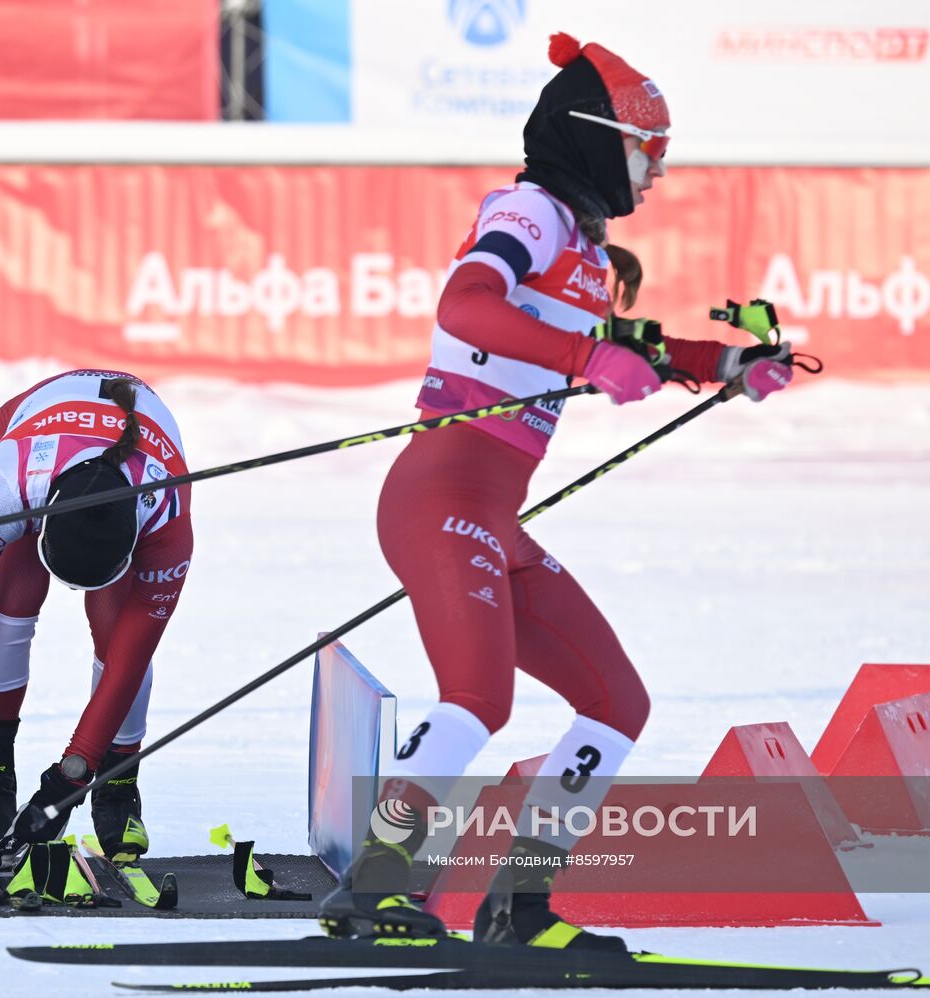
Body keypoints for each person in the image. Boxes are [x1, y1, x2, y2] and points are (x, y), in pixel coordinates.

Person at [317, 33, 794, 949]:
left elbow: (637, 347)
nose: (654, 175)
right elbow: (465, 305)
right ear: (592, 137)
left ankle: (522, 898)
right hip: (441, 490)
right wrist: (589, 355)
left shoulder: (581, 245)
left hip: (496, 515)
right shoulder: (529, 212)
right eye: (644, 152)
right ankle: (376, 884)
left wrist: (731, 362)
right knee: (477, 699)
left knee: (618, 701)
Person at [0, 369, 193, 870]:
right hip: (16, 434)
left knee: (116, 635)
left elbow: (130, 662)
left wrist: (73, 774)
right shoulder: (5, 489)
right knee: (11, 605)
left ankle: (119, 781)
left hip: (121, 470)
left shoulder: (167, 520)